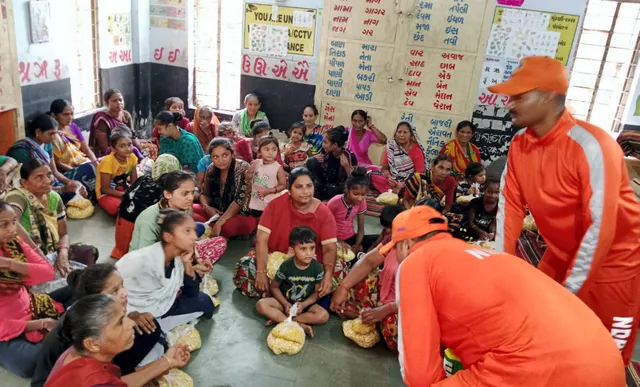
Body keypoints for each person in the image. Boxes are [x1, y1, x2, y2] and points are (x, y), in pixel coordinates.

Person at [490, 56, 640, 365]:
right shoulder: (520, 144)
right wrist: (500, 271)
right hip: (559, 255)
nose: (508, 103)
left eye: (519, 96)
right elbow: (510, 209)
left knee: (606, 359)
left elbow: (601, 227)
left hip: (616, 267)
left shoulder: (593, 146)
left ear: (547, 95)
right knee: (544, 336)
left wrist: (569, 292)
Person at [378, 205, 626, 386]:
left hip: (543, 371)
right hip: (609, 364)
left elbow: (419, 377)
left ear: (405, 245)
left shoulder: (416, 262)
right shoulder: (484, 255)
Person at [31, 264, 164, 386]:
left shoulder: (93, 315)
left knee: (150, 329)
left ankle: (127, 372)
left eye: (122, 285)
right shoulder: (78, 335)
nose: (125, 293)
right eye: (114, 291)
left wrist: (130, 317)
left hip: (97, 357)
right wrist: (158, 367)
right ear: (95, 299)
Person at [233, 168, 338, 300]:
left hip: (309, 264)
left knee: (338, 269)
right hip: (276, 261)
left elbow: (329, 248)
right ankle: (295, 295)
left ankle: (275, 293)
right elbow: (262, 241)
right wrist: (261, 271)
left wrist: (327, 276)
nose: (306, 192)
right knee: (245, 265)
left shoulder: (323, 212)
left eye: (309, 186)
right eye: (299, 187)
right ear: (289, 189)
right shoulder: (275, 206)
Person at [43, 294, 191, 387]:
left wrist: (166, 362)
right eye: (120, 322)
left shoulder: (76, 352)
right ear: (92, 344)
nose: (131, 323)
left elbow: (118, 382)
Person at [0, 200, 65, 378]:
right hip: (5, 326)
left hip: (29, 304)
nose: (12, 229)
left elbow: (47, 272)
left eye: (14, 221)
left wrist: (10, 264)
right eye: (3, 225)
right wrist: (40, 324)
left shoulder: (14, 243)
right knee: (28, 364)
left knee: (82, 282)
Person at [117, 210, 215, 324]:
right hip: (132, 310)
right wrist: (130, 313)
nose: (194, 237)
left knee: (205, 302)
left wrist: (187, 263)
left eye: (193, 230)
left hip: (163, 304)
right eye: (187, 231)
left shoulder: (177, 258)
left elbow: (191, 293)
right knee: (149, 331)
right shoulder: (139, 260)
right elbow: (107, 291)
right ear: (168, 237)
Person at [330, 204, 403, 352]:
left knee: (394, 328)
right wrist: (343, 288)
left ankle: (372, 319)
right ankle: (369, 316)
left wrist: (385, 310)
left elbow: (421, 300)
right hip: (384, 293)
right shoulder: (397, 237)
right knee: (343, 277)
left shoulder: (431, 258)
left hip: (403, 307)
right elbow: (370, 261)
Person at [5, 160, 98, 270]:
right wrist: (39, 255)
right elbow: (13, 226)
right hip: (24, 256)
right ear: (24, 183)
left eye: (49, 175)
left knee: (89, 252)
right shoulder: (16, 197)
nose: (47, 181)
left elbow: (63, 234)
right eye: (39, 177)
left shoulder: (54, 197)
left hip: (51, 252)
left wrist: (62, 254)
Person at [129, 171, 226, 264]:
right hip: (150, 264)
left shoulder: (185, 209)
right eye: (185, 193)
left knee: (219, 242)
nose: (191, 198)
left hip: (175, 253)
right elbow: (145, 257)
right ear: (168, 194)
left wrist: (198, 259)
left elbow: (188, 240)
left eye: (192, 193)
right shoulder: (149, 218)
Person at [256, 226, 329, 337]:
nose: (309, 253)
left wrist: (304, 305)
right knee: (261, 305)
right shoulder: (286, 266)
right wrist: (285, 304)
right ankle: (297, 324)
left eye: (312, 248)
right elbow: (274, 287)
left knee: (323, 316)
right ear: (292, 250)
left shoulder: (317, 268)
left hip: (305, 306)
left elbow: (316, 293)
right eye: (303, 249)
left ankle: (283, 320)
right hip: (286, 303)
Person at [110, 154, 182, 261]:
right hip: (137, 231)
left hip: (121, 224)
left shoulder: (143, 178)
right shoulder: (166, 190)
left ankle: (120, 251)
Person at [7, 113, 88, 203]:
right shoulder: (21, 151)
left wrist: (69, 182)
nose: (54, 138)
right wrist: (61, 189)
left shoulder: (48, 144)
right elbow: (26, 185)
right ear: (38, 132)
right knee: (70, 195)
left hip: (50, 183)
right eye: (51, 134)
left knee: (86, 177)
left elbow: (54, 172)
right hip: (31, 189)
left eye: (55, 133)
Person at [200, 138, 257, 238]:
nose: (221, 160)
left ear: (232, 154)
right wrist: (207, 207)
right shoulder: (211, 168)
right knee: (192, 210)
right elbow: (204, 194)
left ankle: (213, 227)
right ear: (211, 158)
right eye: (215, 157)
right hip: (216, 213)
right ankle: (212, 226)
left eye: (225, 155)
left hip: (240, 215)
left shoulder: (243, 167)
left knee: (227, 227)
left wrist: (220, 222)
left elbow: (239, 201)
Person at [49, 99, 98, 194]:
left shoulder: (74, 127)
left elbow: (87, 150)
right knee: (91, 170)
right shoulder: (53, 135)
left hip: (84, 163)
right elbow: (58, 163)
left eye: (71, 114)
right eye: (65, 114)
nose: (70, 117)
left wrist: (96, 163)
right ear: (54, 116)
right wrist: (78, 170)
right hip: (69, 171)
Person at [328, 168, 378, 254]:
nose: (359, 198)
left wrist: (357, 245)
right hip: (333, 239)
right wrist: (339, 242)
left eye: (363, 195)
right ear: (347, 189)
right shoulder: (334, 202)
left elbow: (361, 229)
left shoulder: (362, 202)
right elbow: (325, 228)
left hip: (350, 237)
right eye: (356, 194)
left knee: (377, 241)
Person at [89, 89, 147, 160]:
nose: (119, 103)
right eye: (114, 101)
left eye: (120, 100)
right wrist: (123, 153)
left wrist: (140, 150)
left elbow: (132, 136)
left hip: (126, 147)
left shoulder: (126, 115)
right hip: (111, 153)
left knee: (150, 148)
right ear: (107, 103)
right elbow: (104, 147)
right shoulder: (103, 120)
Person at [371, 121, 426, 194]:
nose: (401, 135)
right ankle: (393, 191)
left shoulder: (416, 150)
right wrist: (389, 177)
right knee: (372, 174)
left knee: (416, 185)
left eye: (405, 132)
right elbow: (385, 168)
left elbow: (419, 173)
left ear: (411, 135)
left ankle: (394, 192)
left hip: (409, 181)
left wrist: (402, 184)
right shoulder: (391, 147)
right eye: (399, 132)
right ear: (395, 133)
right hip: (394, 180)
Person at [306, 126, 358, 201]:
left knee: (343, 189)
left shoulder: (350, 156)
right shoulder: (325, 152)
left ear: (335, 145)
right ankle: (320, 193)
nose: (322, 144)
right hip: (325, 184)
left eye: (325, 142)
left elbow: (356, 181)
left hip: (338, 187)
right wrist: (315, 158)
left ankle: (324, 196)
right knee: (311, 161)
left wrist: (347, 167)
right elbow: (317, 171)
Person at [96, 132, 139, 216]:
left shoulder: (132, 157)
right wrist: (125, 194)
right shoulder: (107, 162)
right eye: (122, 146)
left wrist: (134, 192)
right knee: (119, 208)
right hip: (106, 194)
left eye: (129, 144)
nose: (128, 149)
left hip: (123, 189)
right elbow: (105, 189)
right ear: (113, 148)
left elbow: (134, 182)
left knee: (142, 200)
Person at [248, 136, 286, 217]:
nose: (270, 153)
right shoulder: (256, 163)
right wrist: (250, 170)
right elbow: (247, 178)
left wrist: (269, 190)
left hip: (270, 202)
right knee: (256, 220)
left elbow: (283, 185)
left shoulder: (278, 168)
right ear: (259, 151)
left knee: (268, 222)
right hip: (256, 201)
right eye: (267, 149)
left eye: (274, 149)